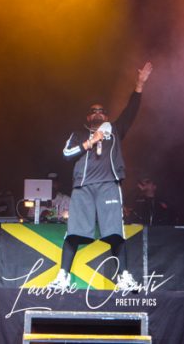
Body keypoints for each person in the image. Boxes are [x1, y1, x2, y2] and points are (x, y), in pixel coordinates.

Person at [50, 61, 153, 292]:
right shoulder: (78, 135)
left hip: (108, 186)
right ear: (88, 117)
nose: (97, 113)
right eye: (93, 111)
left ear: (106, 115)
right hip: (83, 187)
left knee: (115, 232)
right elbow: (66, 154)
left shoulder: (115, 130)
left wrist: (139, 85)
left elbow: (131, 111)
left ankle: (123, 278)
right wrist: (89, 142)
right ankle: (63, 277)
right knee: (73, 233)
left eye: (101, 110)